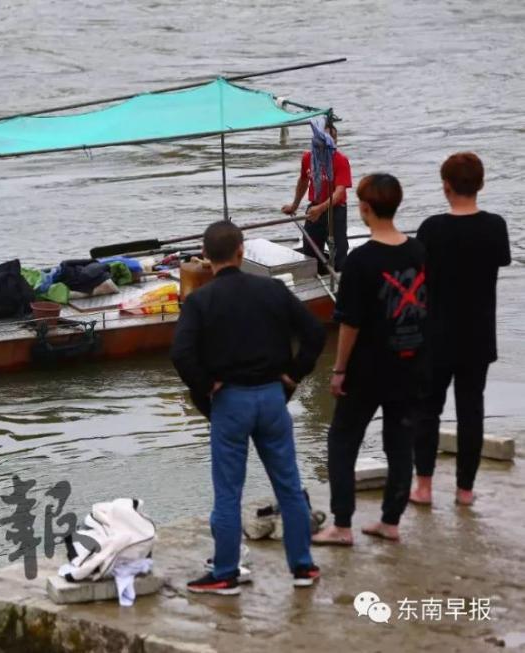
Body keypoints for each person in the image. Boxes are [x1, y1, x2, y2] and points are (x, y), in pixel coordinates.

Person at [171, 221, 325, 595]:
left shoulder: (199, 302)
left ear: (206, 258)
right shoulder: (272, 289)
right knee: (289, 485)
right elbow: (315, 333)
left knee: (228, 493)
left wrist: (207, 384)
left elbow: (181, 354)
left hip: (230, 402)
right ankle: (303, 567)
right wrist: (294, 373)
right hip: (273, 397)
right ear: (242, 251)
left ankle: (225, 572)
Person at [312, 174, 427, 546]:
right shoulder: (420, 251)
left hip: (365, 369)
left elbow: (350, 323)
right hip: (410, 362)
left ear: (364, 209)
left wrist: (339, 369)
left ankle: (342, 525)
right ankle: (390, 522)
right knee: (400, 443)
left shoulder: (361, 260)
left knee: (343, 441)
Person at [411, 153, 511, 507]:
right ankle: (464, 490)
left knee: (427, 409)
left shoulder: (431, 229)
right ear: (480, 185)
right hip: (478, 335)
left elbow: (416, 274)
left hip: (435, 334)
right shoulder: (495, 226)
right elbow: (501, 260)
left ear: (446, 186)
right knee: (472, 410)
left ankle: (423, 486)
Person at [281, 121, 353, 272]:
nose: (329, 142)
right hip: (314, 207)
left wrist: (321, 209)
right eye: (326, 138)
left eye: (333, 138)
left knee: (339, 249)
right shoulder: (308, 158)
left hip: (335, 209)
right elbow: (303, 181)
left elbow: (339, 193)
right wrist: (294, 206)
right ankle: (317, 277)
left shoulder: (340, 160)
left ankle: (340, 279)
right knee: (310, 248)